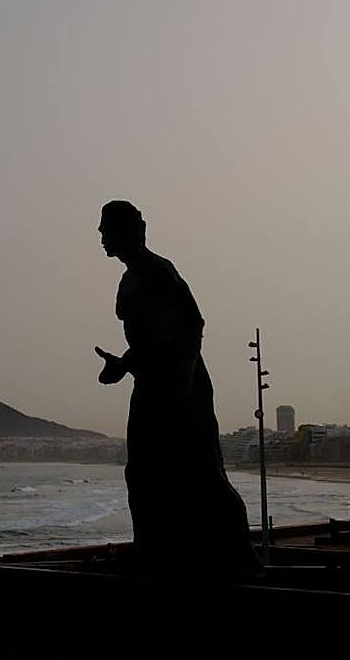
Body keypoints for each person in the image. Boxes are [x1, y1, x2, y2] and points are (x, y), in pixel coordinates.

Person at [94, 200, 257, 577]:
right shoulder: (130, 277)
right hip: (150, 383)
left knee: (203, 472)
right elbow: (149, 340)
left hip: (181, 387)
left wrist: (179, 381)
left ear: (127, 231)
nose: (101, 236)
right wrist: (124, 365)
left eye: (106, 228)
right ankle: (154, 551)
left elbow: (192, 323)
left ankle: (240, 558)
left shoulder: (158, 270)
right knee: (143, 473)